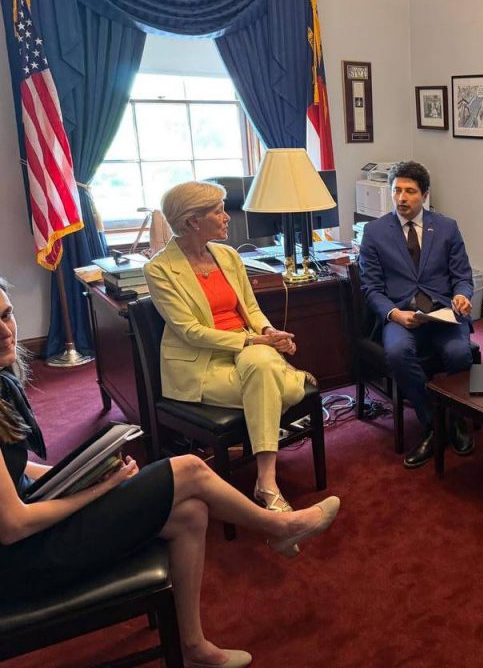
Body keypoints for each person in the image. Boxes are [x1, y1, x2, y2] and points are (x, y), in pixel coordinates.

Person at [0, 277, 340, 668]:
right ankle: (279, 527)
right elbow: (14, 526)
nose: (5, 331)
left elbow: (14, 469)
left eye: (7, 315)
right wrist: (99, 488)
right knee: (190, 469)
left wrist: (78, 473)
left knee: (190, 512)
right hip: (22, 562)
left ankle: (192, 648)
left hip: (29, 526)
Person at [144, 181, 311, 513]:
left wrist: (268, 330)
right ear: (193, 221)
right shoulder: (159, 270)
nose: (227, 217)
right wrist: (256, 340)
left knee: (261, 365)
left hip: (248, 351)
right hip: (201, 364)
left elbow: (250, 308)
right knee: (280, 383)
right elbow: (190, 331)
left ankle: (266, 482)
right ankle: (291, 380)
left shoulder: (228, 255)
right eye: (219, 211)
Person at [358, 161, 475, 469]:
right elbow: (371, 288)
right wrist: (394, 314)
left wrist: (463, 296)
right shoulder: (374, 232)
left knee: (460, 353)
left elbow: (462, 276)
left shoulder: (447, 227)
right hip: (402, 314)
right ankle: (433, 425)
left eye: (410, 191)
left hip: (443, 312)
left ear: (424, 195)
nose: (402, 198)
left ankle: (457, 419)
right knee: (397, 353)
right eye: (396, 190)